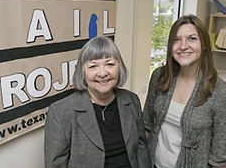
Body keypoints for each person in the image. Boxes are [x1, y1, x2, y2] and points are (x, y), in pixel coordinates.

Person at [143, 14, 226, 168]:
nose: (183, 46)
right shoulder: (159, 76)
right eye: (176, 39)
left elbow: (219, 159)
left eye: (192, 38)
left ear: (204, 44)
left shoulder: (221, 93)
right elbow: (147, 125)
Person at [44, 36, 150, 168]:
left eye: (109, 64)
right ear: (83, 71)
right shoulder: (61, 112)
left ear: (119, 67)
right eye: (93, 66)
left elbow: (141, 149)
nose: (102, 73)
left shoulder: (131, 100)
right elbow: (55, 165)